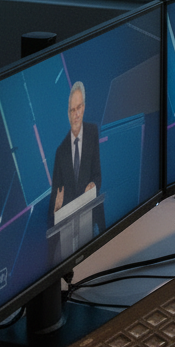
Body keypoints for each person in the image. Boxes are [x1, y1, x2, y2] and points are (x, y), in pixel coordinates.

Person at [48, 80, 104, 235]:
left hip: (92, 215)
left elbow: (97, 175)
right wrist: (56, 209)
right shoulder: (61, 152)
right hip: (71, 226)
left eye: (79, 108)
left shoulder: (92, 132)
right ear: (68, 114)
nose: (76, 114)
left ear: (84, 107)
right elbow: (55, 198)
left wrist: (93, 183)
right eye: (72, 110)